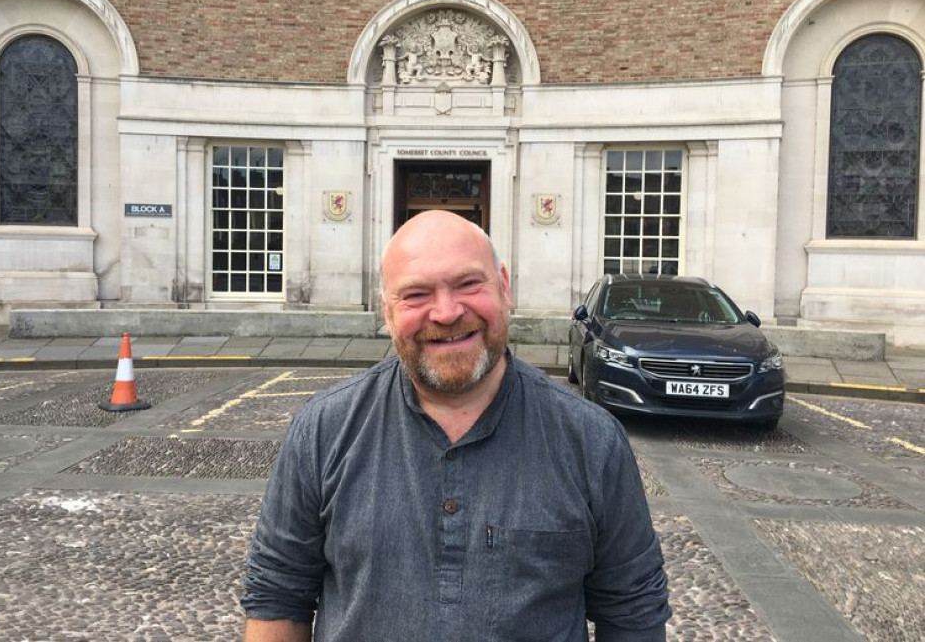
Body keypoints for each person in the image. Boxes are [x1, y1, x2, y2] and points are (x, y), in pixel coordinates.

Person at [241, 210, 671, 641]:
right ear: (387, 311)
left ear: (504, 286)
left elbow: (633, 613)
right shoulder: (322, 431)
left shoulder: (592, 440)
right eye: (416, 294)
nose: (446, 313)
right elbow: (278, 598)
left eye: (468, 284)